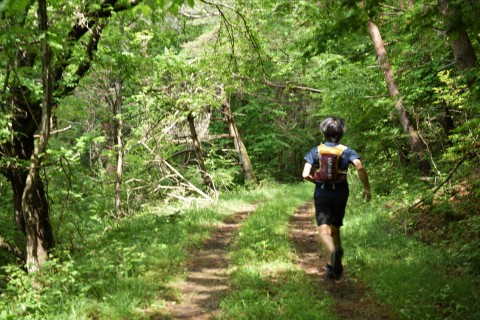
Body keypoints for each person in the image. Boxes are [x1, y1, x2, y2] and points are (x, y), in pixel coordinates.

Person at [302, 117, 371, 279]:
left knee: (324, 230)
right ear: (341, 133)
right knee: (335, 228)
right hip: (340, 194)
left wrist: (316, 181)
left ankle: (333, 252)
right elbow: (360, 166)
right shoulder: (347, 151)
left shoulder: (316, 150)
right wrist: (367, 188)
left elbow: (305, 174)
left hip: (322, 193)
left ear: (324, 132)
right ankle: (334, 268)